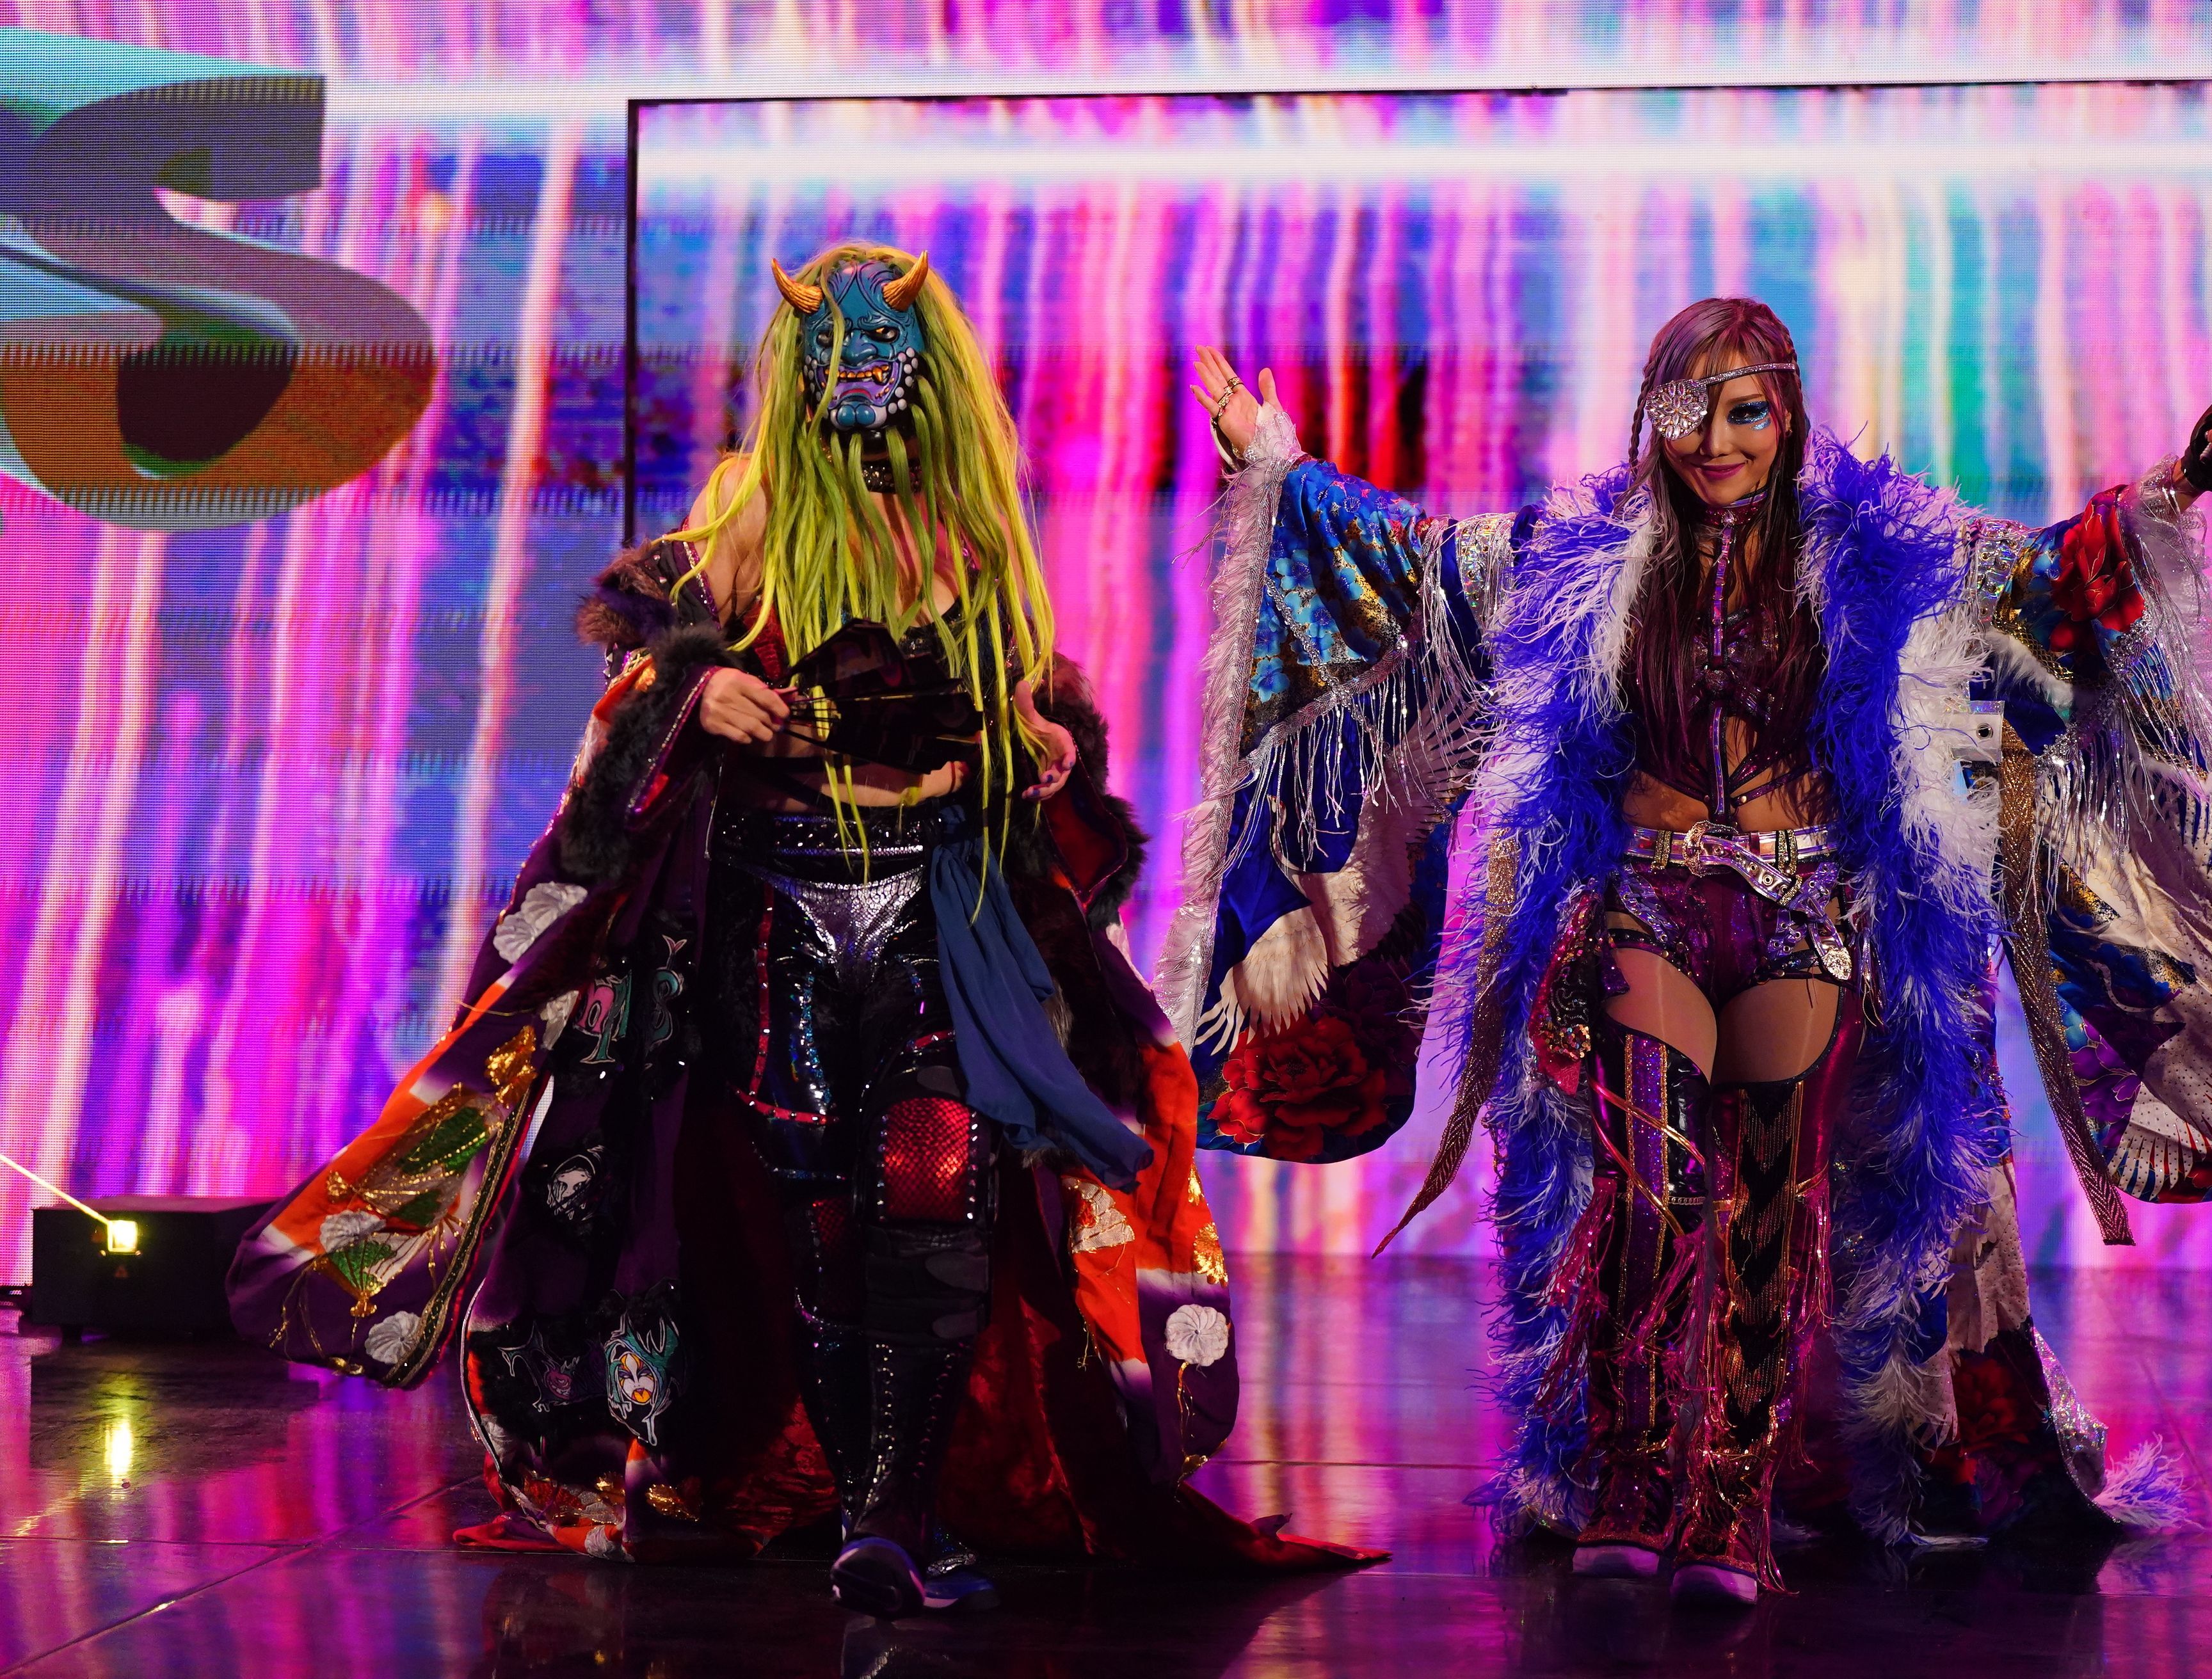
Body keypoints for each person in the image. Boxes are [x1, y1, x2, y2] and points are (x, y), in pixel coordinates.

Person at [1168, 298, 2212, 1603]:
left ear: (1788, 417)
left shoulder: (1885, 551)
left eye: (1745, 411)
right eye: (1687, 410)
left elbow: (2047, 581)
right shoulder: (1576, 550)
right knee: (1649, 1196)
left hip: (1805, 920)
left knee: (1773, 1204)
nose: (1715, 440)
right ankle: (1634, 1479)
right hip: (1642, 911)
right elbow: (1405, 564)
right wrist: (1279, 468)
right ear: (1651, 415)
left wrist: (2176, 483)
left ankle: (1727, 1500)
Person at [228, 242, 1370, 1617]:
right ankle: (868, 1505)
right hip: (776, 924)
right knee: (822, 1222)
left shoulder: (973, 527)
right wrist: (692, 690)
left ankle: (892, 1516)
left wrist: (1039, 738)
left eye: (889, 361)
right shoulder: (745, 511)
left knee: (936, 1188)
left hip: (942, 916)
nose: (865, 388)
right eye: (840, 360)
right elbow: (638, 661)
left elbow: (1023, 699)